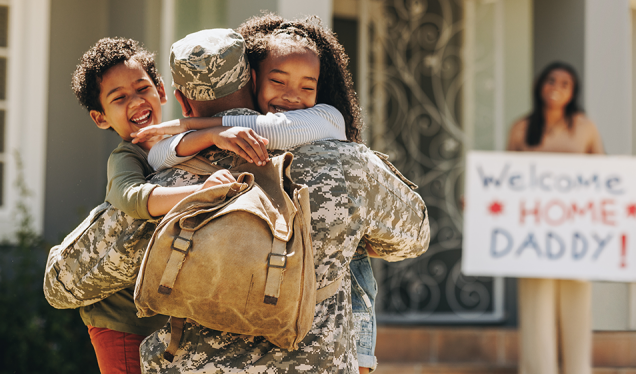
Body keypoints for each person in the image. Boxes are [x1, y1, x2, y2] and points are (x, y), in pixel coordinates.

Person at [44, 22, 430, 374]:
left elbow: (63, 284)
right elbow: (415, 236)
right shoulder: (351, 164)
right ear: (255, 77)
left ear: (179, 99)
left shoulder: (165, 185)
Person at [134, 16, 381, 373]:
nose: (292, 96)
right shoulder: (238, 134)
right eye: (277, 81)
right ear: (253, 80)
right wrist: (210, 134)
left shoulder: (326, 117)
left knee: (357, 275)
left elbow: (275, 131)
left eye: (307, 87)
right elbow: (158, 153)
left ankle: (363, 358)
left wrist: (191, 126)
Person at [507, 61, 603, 374]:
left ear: (573, 92)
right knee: (536, 310)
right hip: (533, 237)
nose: (556, 88)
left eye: (565, 84)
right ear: (540, 85)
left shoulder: (584, 127)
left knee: (577, 310)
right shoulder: (521, 129)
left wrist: (629, 206)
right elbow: (504, 178)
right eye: (551, 81)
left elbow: (605, 177)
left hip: (576, 236)